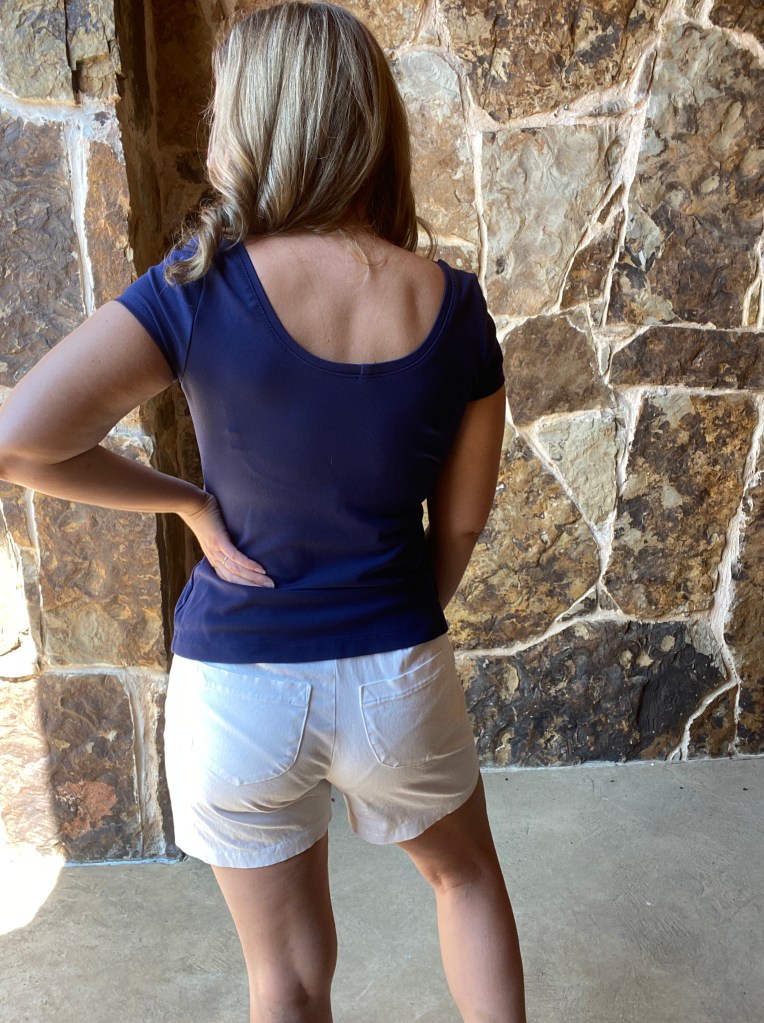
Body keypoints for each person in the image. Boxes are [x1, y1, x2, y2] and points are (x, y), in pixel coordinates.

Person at [0, 3, 526, 1021]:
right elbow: (460, 523)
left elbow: (21, 441)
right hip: (394, 673)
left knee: (283, 977)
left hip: (237, 692)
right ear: (372, 122)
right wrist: (394, 616)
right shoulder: (453, 305)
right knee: (463, 880)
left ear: (251, 122)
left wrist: (190, 506)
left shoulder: (196, 288)